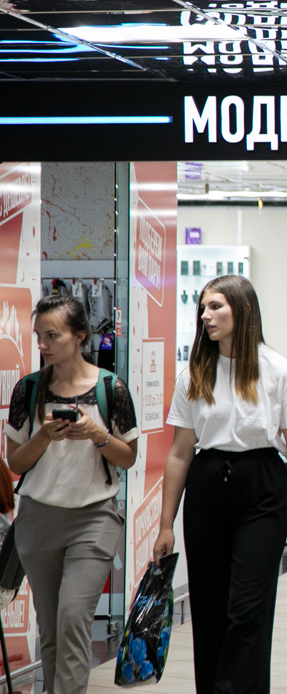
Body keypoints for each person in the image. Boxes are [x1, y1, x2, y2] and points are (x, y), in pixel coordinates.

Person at [153, 276, 287, 694]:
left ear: (242, 310)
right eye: (202, 308)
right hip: (207, 484)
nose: (205, 316)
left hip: (262, 486)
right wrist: (166, 524)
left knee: (247, 609)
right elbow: (180, 452)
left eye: (215, 307)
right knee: (209, 609)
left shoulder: (277, 370)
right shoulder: (194, 373)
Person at [6, 294, 139, 694]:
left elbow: (128, 457)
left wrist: (98, 434)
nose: (42, 344)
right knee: (50, 628)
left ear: (80, 336)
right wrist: (45, 435)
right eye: (38, 335)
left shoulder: (111, 387)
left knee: (73, 618)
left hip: (94, 518)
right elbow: (16, 462)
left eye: (52, 335)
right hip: (38, 519)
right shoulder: (28, 389)